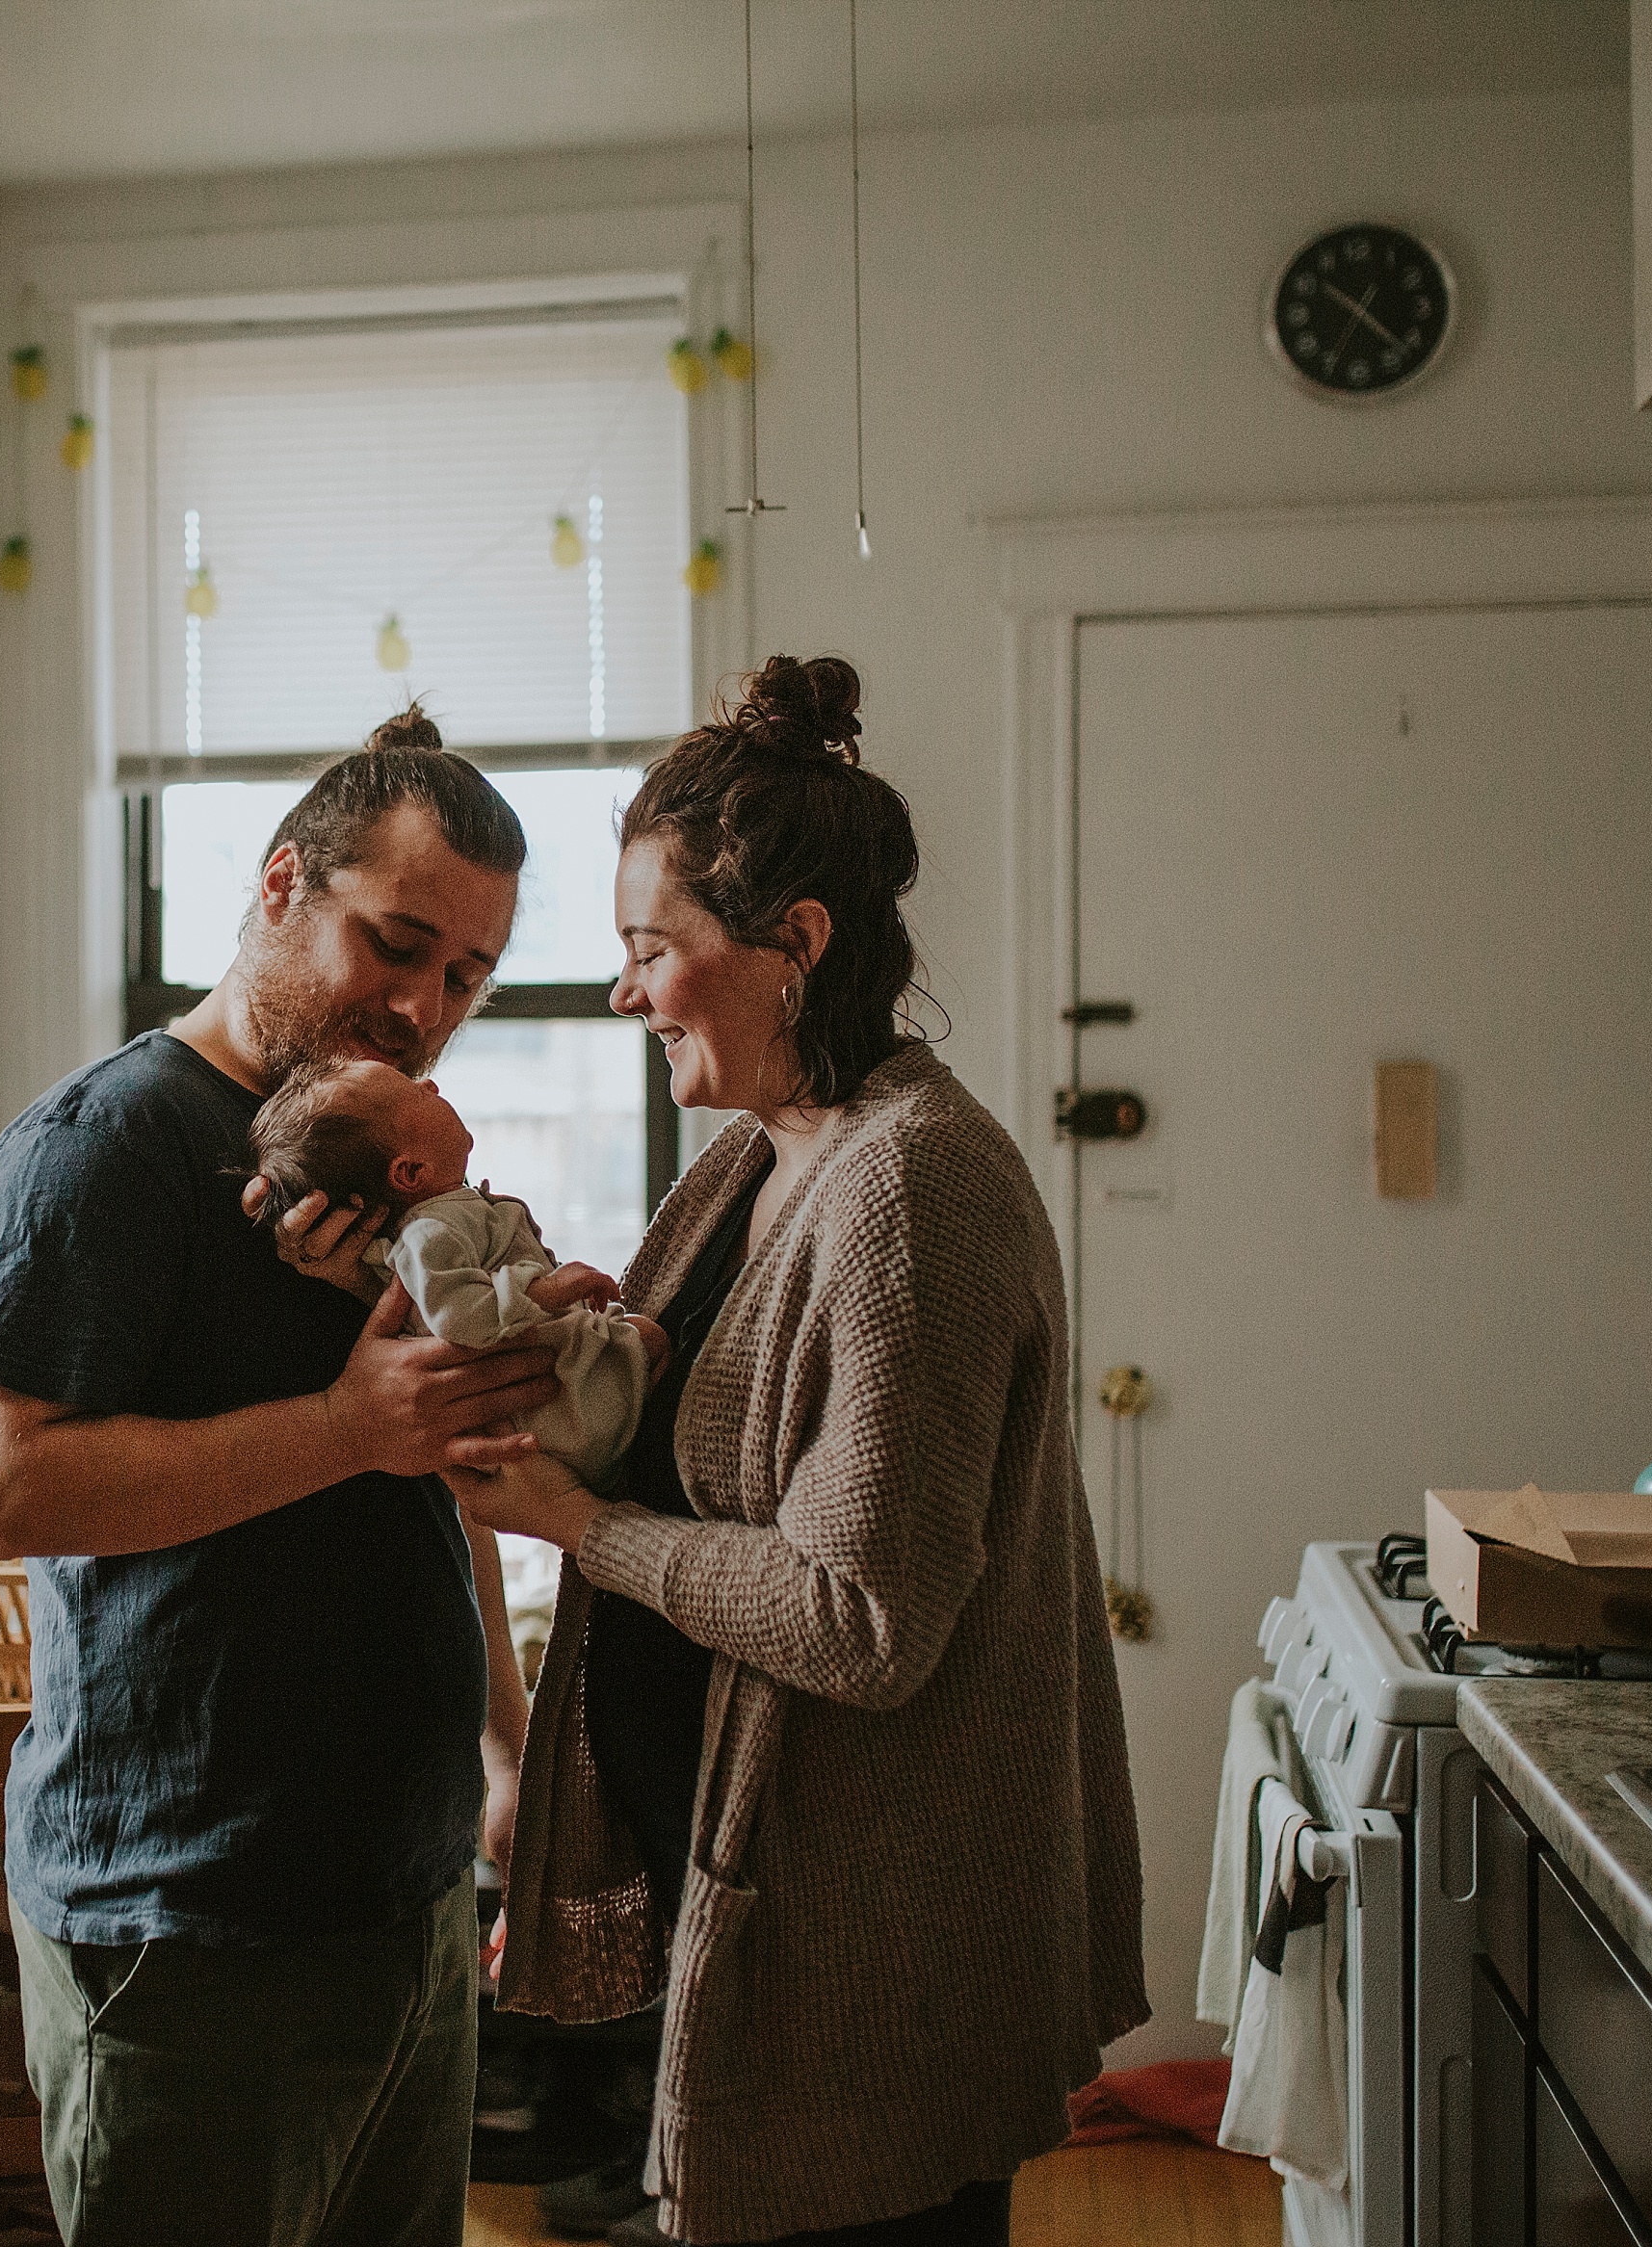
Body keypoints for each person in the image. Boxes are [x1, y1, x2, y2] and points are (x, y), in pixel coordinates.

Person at [459, 656, 1146, 2246]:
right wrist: (555, 1337)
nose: (625, 994)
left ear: (798, 944)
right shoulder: (758, 1161)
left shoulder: (911, 1188)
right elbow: (691, 1442)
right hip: (762, 1906)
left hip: (875, 1952)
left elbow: (862, 1617)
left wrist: (575, 1525)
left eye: (651, 951)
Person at [0, 707, 559, 2247]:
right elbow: (6, 1492)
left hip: (404, 1896)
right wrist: (345, 1423)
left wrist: (507, 1755)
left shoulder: (379, 1156)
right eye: (396, 946)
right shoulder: (103, 1146)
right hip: (189, 1926)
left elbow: (436, 1467)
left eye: (466, 976)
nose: (422, 1007)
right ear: (282, 883)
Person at [249, 1055, 668, 1486]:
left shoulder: (445, 1217)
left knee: (638, 1338)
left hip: (549, 1389)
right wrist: (552, 1290)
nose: (429, 1085)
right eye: (415, 1095)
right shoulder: (428, 1233)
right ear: (410, 1171)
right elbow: (459, 1316)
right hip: (557, 1405)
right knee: (650, 1340)